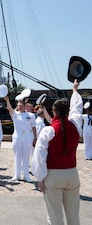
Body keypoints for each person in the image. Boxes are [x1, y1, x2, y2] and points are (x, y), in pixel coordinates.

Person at [31, 79, 82, 225]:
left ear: (53, 111)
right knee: (73, 215)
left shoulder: (49, 131)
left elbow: (39, 155)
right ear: (67, 111)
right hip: (72, 173)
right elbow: (77, 109)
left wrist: (40, 178)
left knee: (55, 217)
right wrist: (75, 91)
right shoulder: (75, 125)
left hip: (53, 175)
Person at [4, 95, 37, 182]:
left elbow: (33, 127)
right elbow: (10, 109)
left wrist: (35, 137)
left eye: (21, 105)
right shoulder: (15, 115)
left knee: (26, 156)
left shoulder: (30, 115)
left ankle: (26, 175)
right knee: (17, 156)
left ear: (25, 106)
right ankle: (17, 174)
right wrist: (7, 100)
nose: (19, 107)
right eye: (18, 105)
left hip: (27, 137)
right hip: (17, 137)